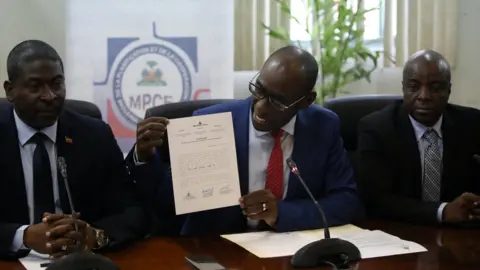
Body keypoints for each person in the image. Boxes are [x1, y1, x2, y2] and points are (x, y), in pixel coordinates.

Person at [130, 45, 361, 235]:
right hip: (218, 250)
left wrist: (281, 213)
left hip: (290, 251)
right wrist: (145, 157)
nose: (260, 106)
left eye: (277, 102)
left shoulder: (323, 127)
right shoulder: (209, 123)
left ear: (306, 101)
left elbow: (346, 201)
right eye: (258, 89)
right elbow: (166, 204)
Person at [0, 40, 149, 259]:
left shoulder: (95, 136)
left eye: (57, 84)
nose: (49, 96)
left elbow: (133, 210)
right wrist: (23, 236)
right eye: (35, 86)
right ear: (10, 90)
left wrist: (96, 235)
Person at [357, 49, 480, 225]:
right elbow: (376, 200)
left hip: (459, 234)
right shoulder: (377, 129)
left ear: (449, 90)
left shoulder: (472, 124)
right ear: (404, 88)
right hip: (399, 233)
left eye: (435, 88)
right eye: (414, 87)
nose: (424, 96)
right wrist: (442, 211)